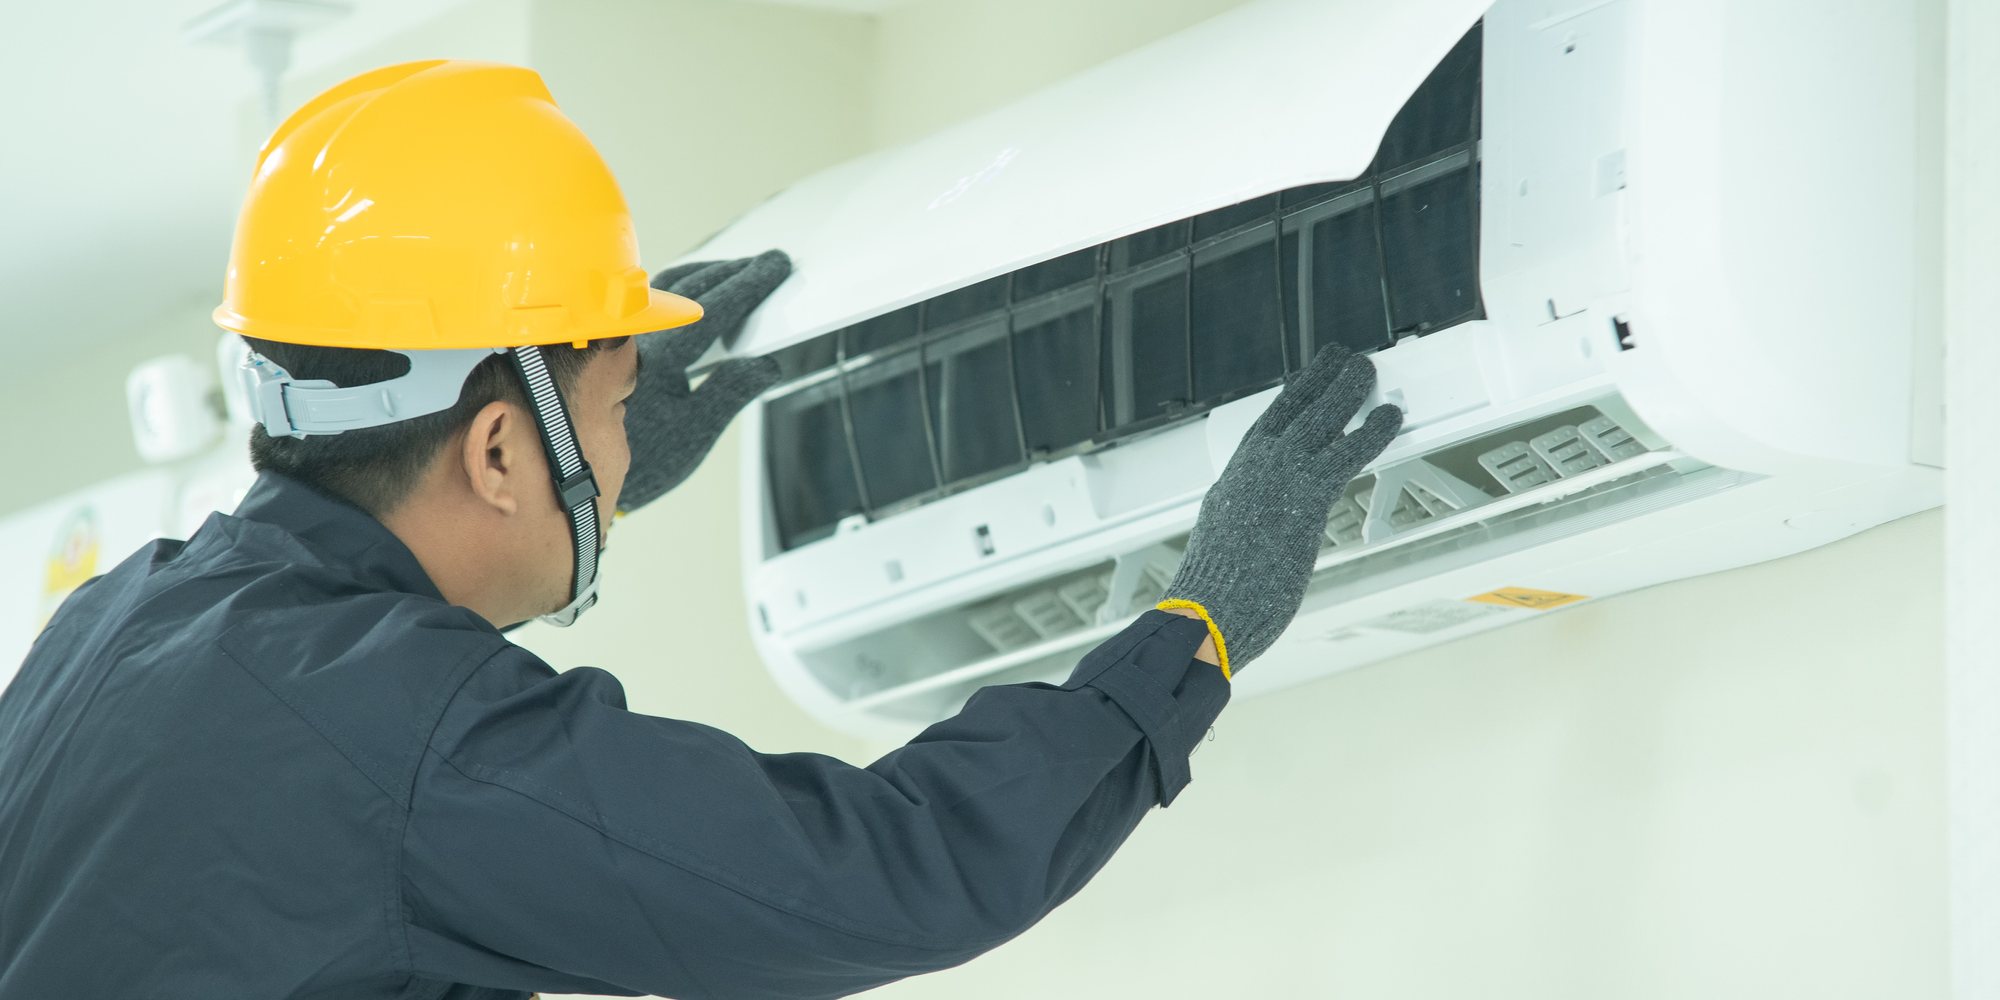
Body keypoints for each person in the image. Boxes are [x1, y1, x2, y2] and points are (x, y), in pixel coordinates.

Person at [0, 60, 1400, 999]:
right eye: (612, 410)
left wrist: (593, 456)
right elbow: (888, 869)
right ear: (497, 450)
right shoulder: (412, 747)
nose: (620, 451)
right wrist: (1194, 631)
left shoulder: (113, 627)